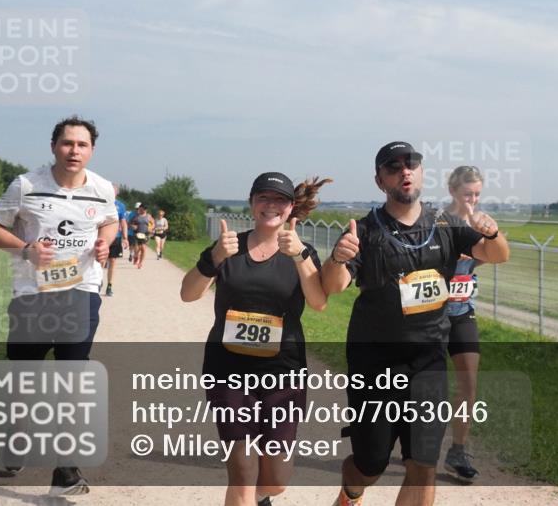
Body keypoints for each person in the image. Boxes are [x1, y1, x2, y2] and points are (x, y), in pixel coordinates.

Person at [321, 142, 509, 506]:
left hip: (428, 361)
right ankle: (351, 492)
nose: (404, 171)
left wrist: (492, 233)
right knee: (370, 465)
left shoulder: (446, 224)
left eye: (412, 164)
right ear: (380, 181)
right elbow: (334, 285)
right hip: (375, 364)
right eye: (393, 167)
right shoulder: (365, 230)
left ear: (422, 173)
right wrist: (337, 258)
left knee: (423, 465)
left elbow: (497, 254)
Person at [0, 116, 118, 496]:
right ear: (54, 146)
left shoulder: (102, 188)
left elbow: (109, 221)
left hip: (82, 290)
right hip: (33, 294)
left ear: (92, 150)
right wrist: (25, 249)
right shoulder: (26, 185)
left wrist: (105, 242)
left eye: (82, 144)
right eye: (67, 143)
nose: (74, 151)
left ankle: (66, 470)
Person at [180, 172, 332, 506]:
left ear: (290, 207)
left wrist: (300, 256)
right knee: (243, 470)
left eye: (279, 199)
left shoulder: (301, 252)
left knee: (275, 480)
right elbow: (188, 294)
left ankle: (262, 498)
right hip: (227, 370)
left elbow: (319, 302)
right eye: (263, 197)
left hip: (284, 374)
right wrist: (214, 258)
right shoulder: (228, 247)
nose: (271, 205)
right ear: (251, 203)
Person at [442, 166, 486, 482]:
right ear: (453, 191)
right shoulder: (436, 221)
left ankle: (458, 450)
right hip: (430, 314)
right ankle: (409, 437)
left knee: (469, 381)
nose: (472, 200)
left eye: (477, 194)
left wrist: (482, 241)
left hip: (462, 312)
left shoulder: (479, 223)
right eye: (467, 194)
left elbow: (490, 255)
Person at [104, 183, 129, 297]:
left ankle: (109, 285)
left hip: (116, 237)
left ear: (117, 193)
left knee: (113, 261)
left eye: (114, 191)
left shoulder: (120, 206)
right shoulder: (101, 202)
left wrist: (125, 238)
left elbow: (123, 222)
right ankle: (97, 282)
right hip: (102, 237)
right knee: (101, 261)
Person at [131, 203, 150, 267]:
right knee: (137, 249)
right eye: (141, 209)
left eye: (144, 209)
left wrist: (151, 228)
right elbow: (130, 223)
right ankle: (136, 256)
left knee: (143, 249)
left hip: (145, 234)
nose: (142, 210)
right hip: (137, 234)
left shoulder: (148, 216)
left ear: (146, 210)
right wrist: (133, 226)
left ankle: (140, 263)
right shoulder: (136, 217)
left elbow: (153, 223)